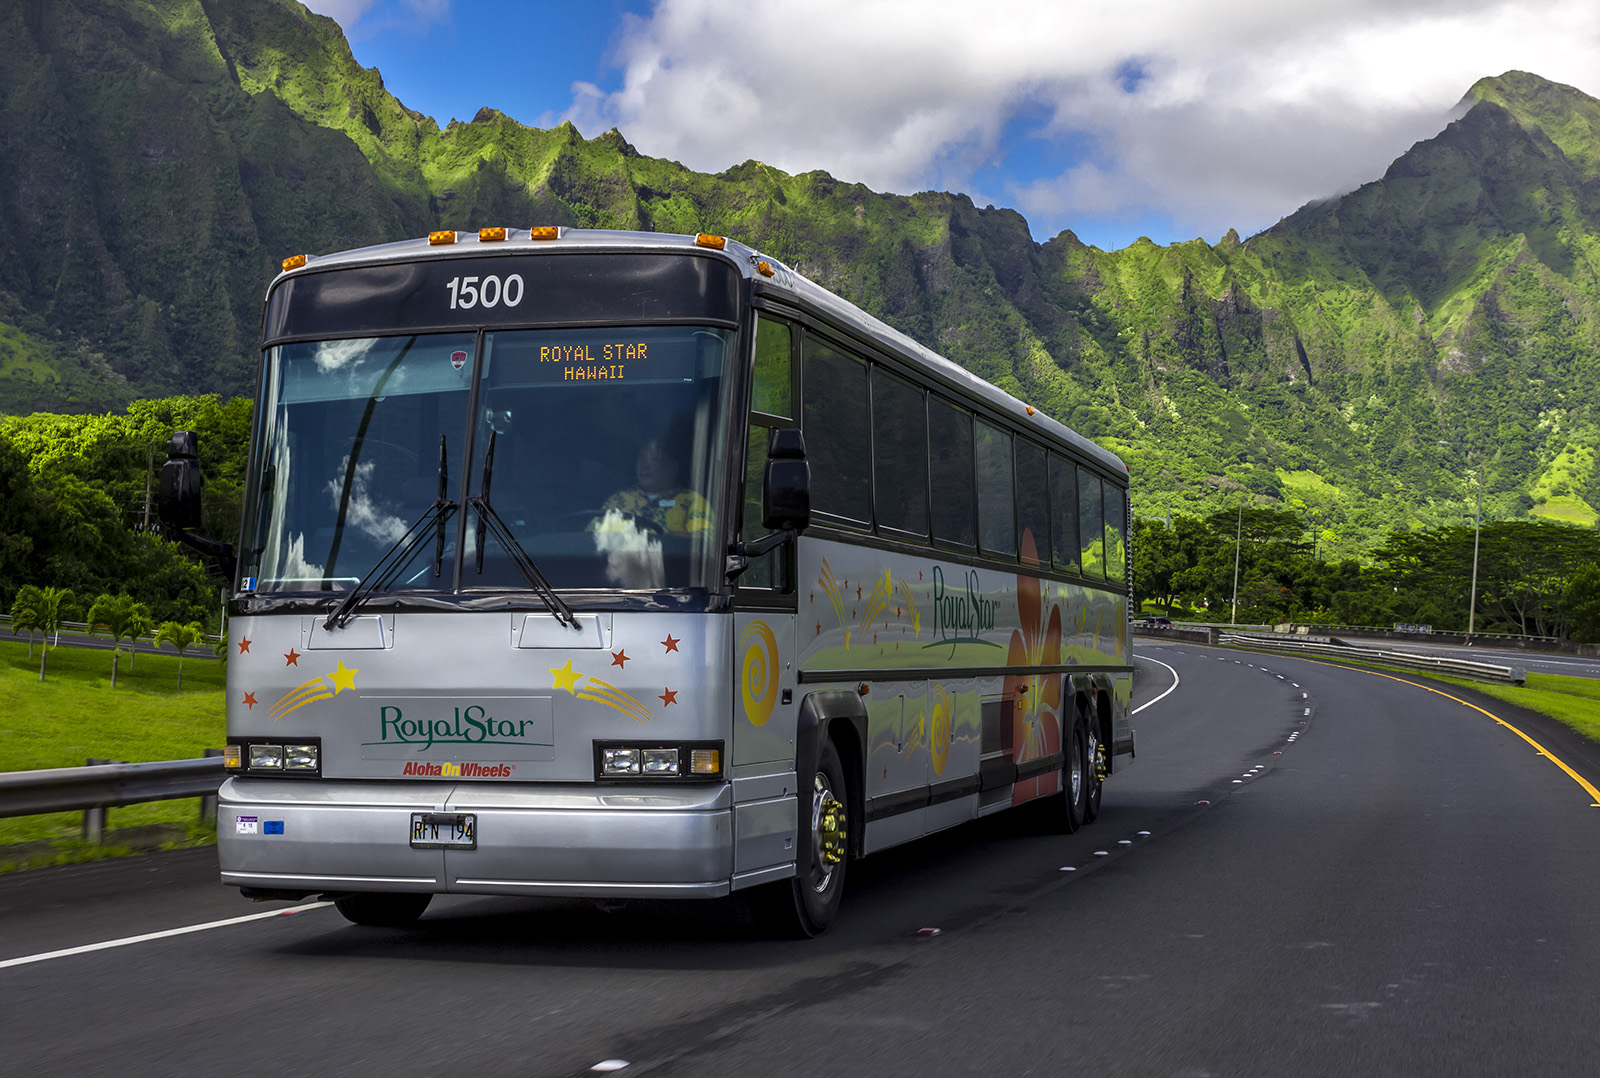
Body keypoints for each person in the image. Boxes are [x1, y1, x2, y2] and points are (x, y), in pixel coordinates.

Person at [600, 438, 710, 535]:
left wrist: (670, 536)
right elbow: (591, 537)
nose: (645, 465)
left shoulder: (693, 502)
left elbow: (707, 542)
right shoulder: (617, 501)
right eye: (641, 458)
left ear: (673, 467)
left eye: (654, 459)